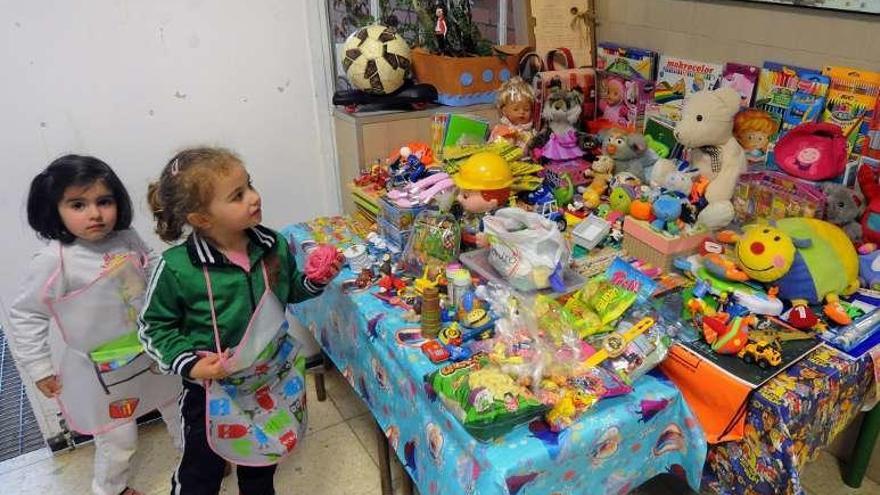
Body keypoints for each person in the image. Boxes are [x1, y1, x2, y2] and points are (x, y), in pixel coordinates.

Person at [139, 147, 342, 495]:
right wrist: (191, 365)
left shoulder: (272, 244)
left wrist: (315, 280)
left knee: (262, 460)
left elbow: (290, 290)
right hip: (211, 388)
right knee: (202, 470)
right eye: (238, 195)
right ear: (202, 218)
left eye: (249, 185)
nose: (254, 197)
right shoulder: (176, 268)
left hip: (268, 379)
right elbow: (153, 328)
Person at [7, 155, 182, 495]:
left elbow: (153, 263)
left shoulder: (126, 237)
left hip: (152, 352)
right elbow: (26, 313)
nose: (95, 213)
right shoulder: (55, 260)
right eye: (78, 204)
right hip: (102, 370)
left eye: (104, 201)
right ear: (52, 209)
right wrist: (39, 367)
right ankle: (111, 488)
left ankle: (196, 463)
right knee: (118, 437)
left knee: (179, 407)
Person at [488, 76, 536, 151]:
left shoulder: (531, 133)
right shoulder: (499, 128)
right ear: (504, 111)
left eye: (526, 109)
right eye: (516, 109)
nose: (522, 112)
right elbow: (491, 147)